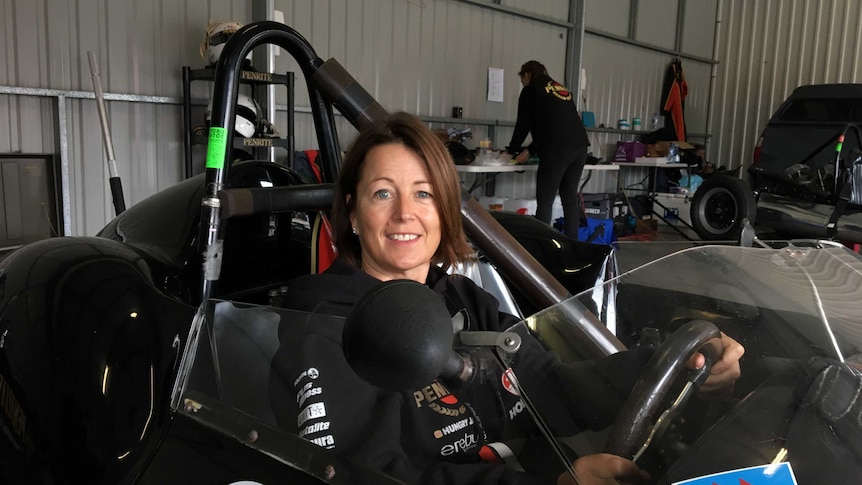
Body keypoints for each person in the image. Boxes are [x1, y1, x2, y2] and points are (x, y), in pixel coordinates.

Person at [269, 111, 745, 485]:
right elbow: (364, 474)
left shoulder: (462, 299)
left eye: (424, 194)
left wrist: (676, 364)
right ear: (352, 213)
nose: (404, 215)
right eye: (381, 194)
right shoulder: (325, 322)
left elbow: (555, 387)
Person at [508, 60, 590, 238]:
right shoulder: (561, 89)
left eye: (522, 79)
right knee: (569, 198)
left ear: (527, 75)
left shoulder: (531, 90)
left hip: (557, 149)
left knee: (545, 200)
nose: (522, 83)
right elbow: (553, 124)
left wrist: (513, 149)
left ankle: (542, 246)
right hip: (580, 147)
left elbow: (523, 123)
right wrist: (529, 150)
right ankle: (572, 244)